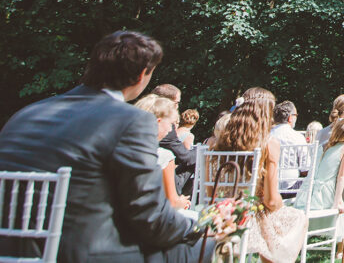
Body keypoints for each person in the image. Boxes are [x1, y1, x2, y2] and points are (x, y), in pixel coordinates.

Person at [0, 31, 207, 262]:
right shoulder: (131, 121)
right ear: (141, 76)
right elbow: (151, 220)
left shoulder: (25, 115)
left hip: (12, 254)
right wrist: (199, 223)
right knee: (210, 245)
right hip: (87, 254)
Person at [214, 87, 306, 262]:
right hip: (249, 219)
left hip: (220, 214)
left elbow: (212, 192)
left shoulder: (219, 144)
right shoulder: (268, 145)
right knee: (297, 217)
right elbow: (271, 202)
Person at [292, 119, 344, 254]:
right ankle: (341, 250)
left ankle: (299, 245)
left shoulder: (324, 145)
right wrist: (337, 202)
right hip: (324, 194)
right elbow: (341, 176)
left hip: (307, 194)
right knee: (342, 214)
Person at [135, 94, 192, 212]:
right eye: (170, 124)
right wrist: (182, 202)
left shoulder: (123, 149)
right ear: (158, 122)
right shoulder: (165, 156)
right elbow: (172, 202)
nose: (170, 130)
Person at [153, 83, 197, 196]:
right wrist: (203, 152)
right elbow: (185, 157)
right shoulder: (164, 126)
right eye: (176, 103)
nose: (177, 107)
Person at [270, 100, 310, 190]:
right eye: (296, 115)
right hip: (291, 186)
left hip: (268, 185)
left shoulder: (267, 135)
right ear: (290, 118)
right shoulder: (298, 137)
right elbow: (305, 169)